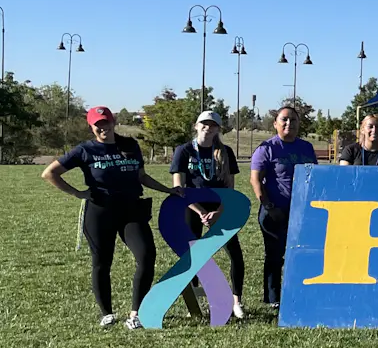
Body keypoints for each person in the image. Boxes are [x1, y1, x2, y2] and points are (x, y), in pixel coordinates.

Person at [42, 106, 176, 328]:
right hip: (100, 211)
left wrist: (168, 190)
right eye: (98, 124)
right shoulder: (85, 150)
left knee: (146, 255)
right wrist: (77, 193)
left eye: (106, 122)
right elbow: (49, 173)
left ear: (113, 122)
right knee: (102, 263)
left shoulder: (130, 145)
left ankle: (136, 314)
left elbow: (141, 176)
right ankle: (107, 313)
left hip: (131, 209)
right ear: (92, 126)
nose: (103, 127)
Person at [170, 110, 245, 321]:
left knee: (235, 253)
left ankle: (236, 301)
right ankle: (193, 303)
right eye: (204, 123)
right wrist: (202, 212)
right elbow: (178, 187)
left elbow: (230, 188)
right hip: (192, 207)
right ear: (196, 125)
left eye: (212, 125)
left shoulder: (226, 152)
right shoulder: (183, 151)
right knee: (191, 254)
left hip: (220, 206)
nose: (207, 127)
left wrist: (218, 212)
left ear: (218, 129)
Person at [250, 104, 318, 308]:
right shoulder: (267, 148)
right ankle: (273, 299)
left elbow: (313, 177)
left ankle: (298, 293)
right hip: (274, 211)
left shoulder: (306, 147)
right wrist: (270, 207)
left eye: (294, 120)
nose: (289, 123)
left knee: (300, 254)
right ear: (275, 124)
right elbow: (255, 180)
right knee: (274, 256)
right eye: (284, 120)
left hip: (301, 212)